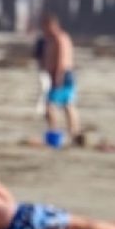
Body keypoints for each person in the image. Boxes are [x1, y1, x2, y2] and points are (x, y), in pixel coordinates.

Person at [41, 13, 81, 143]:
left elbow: (61, 59)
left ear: (52, 25)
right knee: (68, 104)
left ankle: (54, 132)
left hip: (62, 74)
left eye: (45, 27)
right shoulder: (57, 38)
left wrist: (57, 77)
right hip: (66, 74)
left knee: (49, 105)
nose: (44, 31)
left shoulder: (59, 39)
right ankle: (75, 133)